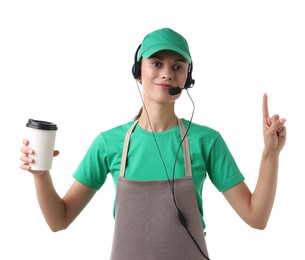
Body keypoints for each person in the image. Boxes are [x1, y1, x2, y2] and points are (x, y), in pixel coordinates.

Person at [20, 27, 287, 260]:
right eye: (156, 63)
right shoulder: (108, 143)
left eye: (178, 66)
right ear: (138, 72)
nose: (167, 73)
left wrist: (270, 155)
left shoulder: (207, 141)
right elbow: (60, 220)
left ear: (187, 79)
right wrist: (41, 175)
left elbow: (256, 217)